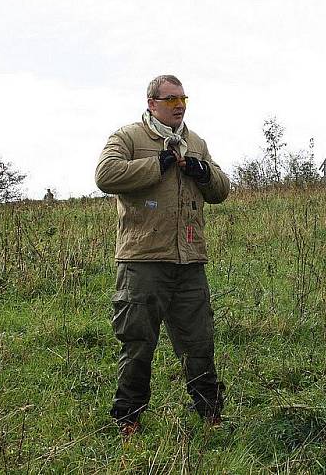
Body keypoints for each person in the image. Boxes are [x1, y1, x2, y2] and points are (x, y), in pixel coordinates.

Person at [95, 74, 230, 437]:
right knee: (138, 343)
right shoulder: (128, 137)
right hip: (143, 260)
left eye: (183, 99)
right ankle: (129, 419)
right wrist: (159, 164)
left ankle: (210, 414)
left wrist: (203, 173)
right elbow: (106, 175)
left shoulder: (196, 142)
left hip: (190, 261)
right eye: (171, 100)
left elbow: (221, 189)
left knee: (200, 342)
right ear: (152, 103)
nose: (179, 105)